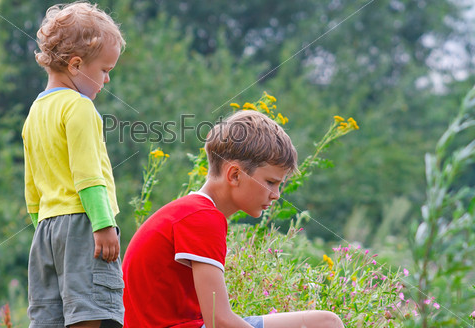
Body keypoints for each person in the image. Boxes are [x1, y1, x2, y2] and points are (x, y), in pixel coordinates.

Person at [122, 110, 345, 328]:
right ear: (235, 175)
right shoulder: (202, 218)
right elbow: (218, 322)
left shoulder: (193, 211)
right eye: (270, 182)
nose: (276, 194)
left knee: (326, 322)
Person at [22, 1, 125, 328]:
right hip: (83, 224)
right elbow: (87, 175)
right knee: (90, 312)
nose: (106, 80)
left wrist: (43, 227)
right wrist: (103, 224)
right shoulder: (78, 108)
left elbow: (31, 188)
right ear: (77, 65)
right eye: (105, 70)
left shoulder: (34, 113)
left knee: (50, 317)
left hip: (46, 232)